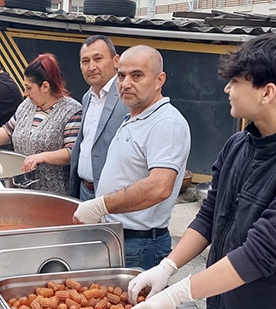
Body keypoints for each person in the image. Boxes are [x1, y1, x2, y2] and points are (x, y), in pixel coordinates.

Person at [127, 34, 276, 309]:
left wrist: (176, 295)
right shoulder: (239, 145)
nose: (227, 89)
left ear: (267, 92)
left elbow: (257, 255)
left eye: (236, 82)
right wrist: (167, 267)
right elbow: (210, 215)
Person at [73, 45, 191, 271]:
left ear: (159, 80)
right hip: (119, 236)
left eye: (137, 75)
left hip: (141, 244)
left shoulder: (166, 123)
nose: (125, 83)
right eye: (121, 75)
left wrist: (101, 206)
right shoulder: (135, 117)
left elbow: (160, 186)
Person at [0, 53, 82, 196]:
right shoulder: (26, 106)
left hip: (53, 194)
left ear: (45, 86)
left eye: (29, 88)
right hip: (23, 190)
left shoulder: (72, 111)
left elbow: (71, 152)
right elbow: (8, 130)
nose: (25, 93)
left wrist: (42, 157)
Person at [69, 35, 129, 201]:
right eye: (85, 61)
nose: (92, 67)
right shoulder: (87, 98)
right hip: (83, 191)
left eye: (98, 59)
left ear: (116, 60)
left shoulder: (127, 98)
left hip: (114, 196)